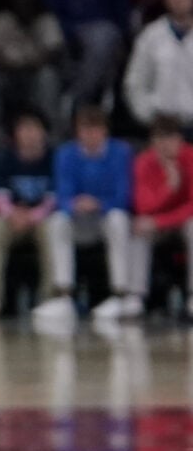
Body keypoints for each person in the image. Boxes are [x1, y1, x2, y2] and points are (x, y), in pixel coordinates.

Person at [42, 103, 134, 332]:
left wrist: (100, 204)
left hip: (106, 216)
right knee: (56, 223)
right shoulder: (65, 153)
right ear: (77, 132)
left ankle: (120, 293)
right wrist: (74, 204)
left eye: (95, 129)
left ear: (105, 131)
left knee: (118, 220)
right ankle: (64, 295)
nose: (90, 135)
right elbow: (61, 194)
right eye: (85, 130)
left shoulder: (121, 152)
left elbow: (124, 195)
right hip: (79, 219)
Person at [0, 113, 59, 317]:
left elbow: (53, 199)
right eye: (24, 129)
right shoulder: (5, 159)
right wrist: (14, 215)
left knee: (51, 229)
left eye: (34, 129)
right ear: (15, 134)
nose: (29, 135)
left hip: (41, 218)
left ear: (44, 133)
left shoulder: (53, 159)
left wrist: (32, 216)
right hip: (12, 219)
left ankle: (48, 298)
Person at [40, 0, 131, 110]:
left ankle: (78, 97)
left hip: (103, 30)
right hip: (67, 30)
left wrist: (123, 37)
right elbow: (50, 11)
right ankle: (83, 97)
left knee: (105, 36)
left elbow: (121, 5)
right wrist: (69, 33)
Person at [0, 0, 66, 141]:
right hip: (7, 75)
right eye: (19, 2)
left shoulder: (46, 20)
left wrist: (33, 63)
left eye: (27, 2)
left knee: (48, 76)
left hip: (34, 77)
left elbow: (55, 53)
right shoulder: (3, 19)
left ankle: (52, 134)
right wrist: (9, 64)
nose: (23, 6)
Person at [128, 114, 193, 319]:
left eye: (171, 139)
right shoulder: (143, 163)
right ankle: (136, 295)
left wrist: (160, 221)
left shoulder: (191, 158)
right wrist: (168, 188)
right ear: (153, 142)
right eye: (160, 140)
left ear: (180, 140)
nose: (166, 146)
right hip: (157, 224)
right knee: (137, 228)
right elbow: (143, 206)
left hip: (181, 221)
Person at [124, 0, 193, 132]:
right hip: (162, 126)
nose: (179, 0)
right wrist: (148, 115)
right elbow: (135, 82)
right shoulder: (151, 36)